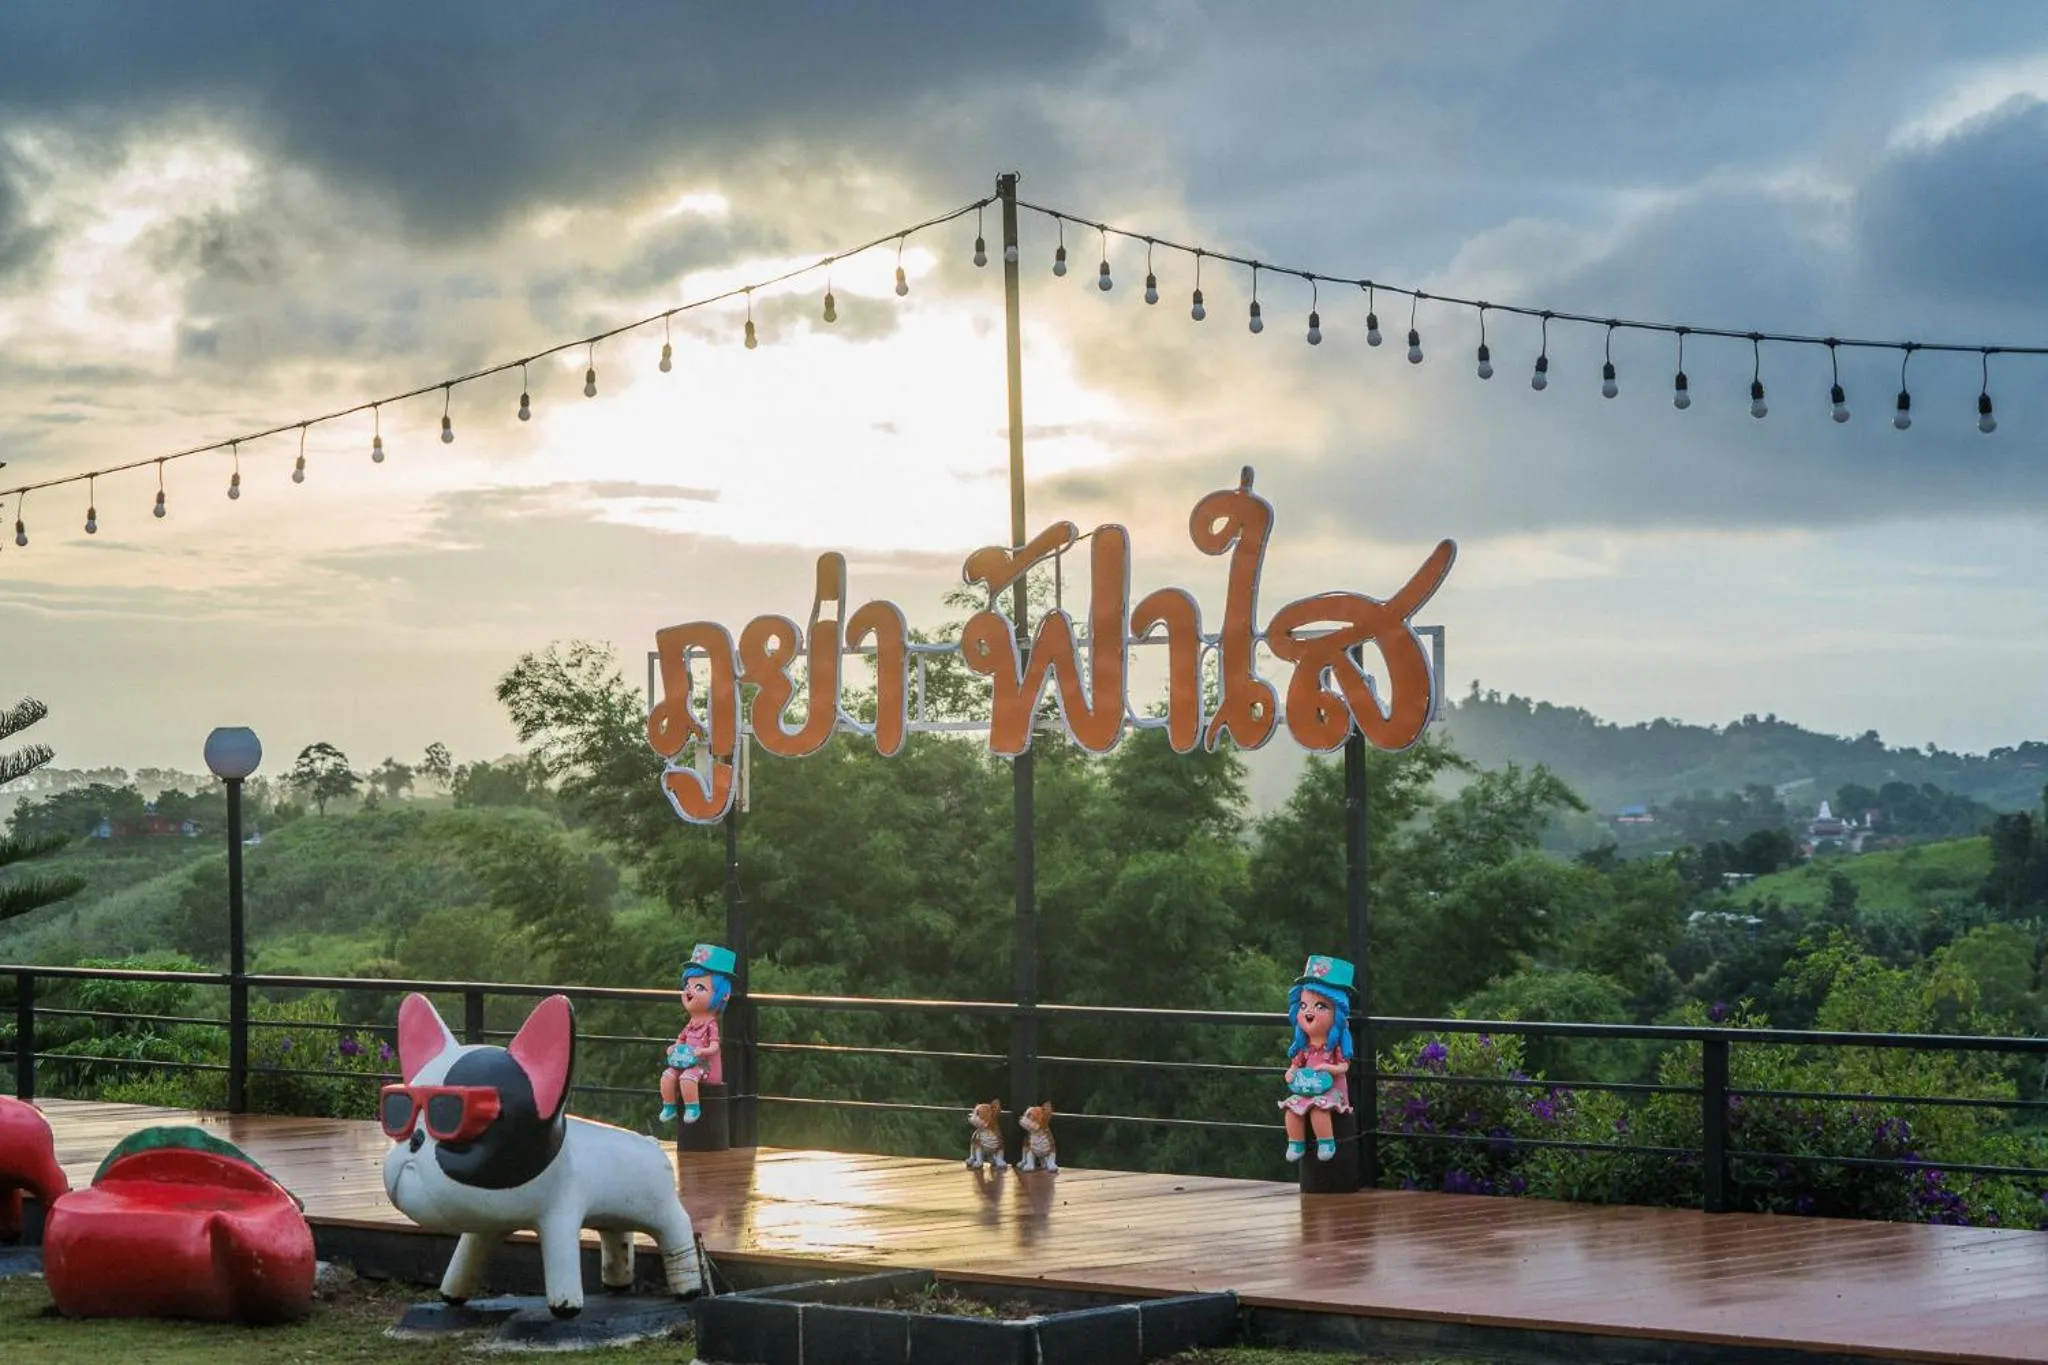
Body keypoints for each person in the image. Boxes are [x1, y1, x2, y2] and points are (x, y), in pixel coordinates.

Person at [1280, 954, 1355, 1163]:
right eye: (1304, 1006)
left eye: (1320, 1006)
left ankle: (1326, 1142)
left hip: (1332, 1090)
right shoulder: (1305, 1047)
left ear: (1337, 1014)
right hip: (1306, 1089)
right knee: (1291, 1108)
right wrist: (1292, 1071)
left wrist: (1328, 1068)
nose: (1309, 1012)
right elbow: (1296, 1063)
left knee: (1318, 1110)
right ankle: (1296, 1143)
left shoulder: (1333, 1047)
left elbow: (1343, 1067)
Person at [659, 943, 736, 1125]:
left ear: (723, 995)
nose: (690, 992)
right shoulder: (692, 1023)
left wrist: (702, 1051)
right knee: (668, 1076)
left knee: (687, 1078)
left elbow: (715, 1046)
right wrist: (675, 1047)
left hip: (704, 1065)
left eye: (699, 988)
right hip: (684, 1060)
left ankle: (693, 1108)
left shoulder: (710, 1023)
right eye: (688, 985)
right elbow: (682, 1038)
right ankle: (669, 1106)